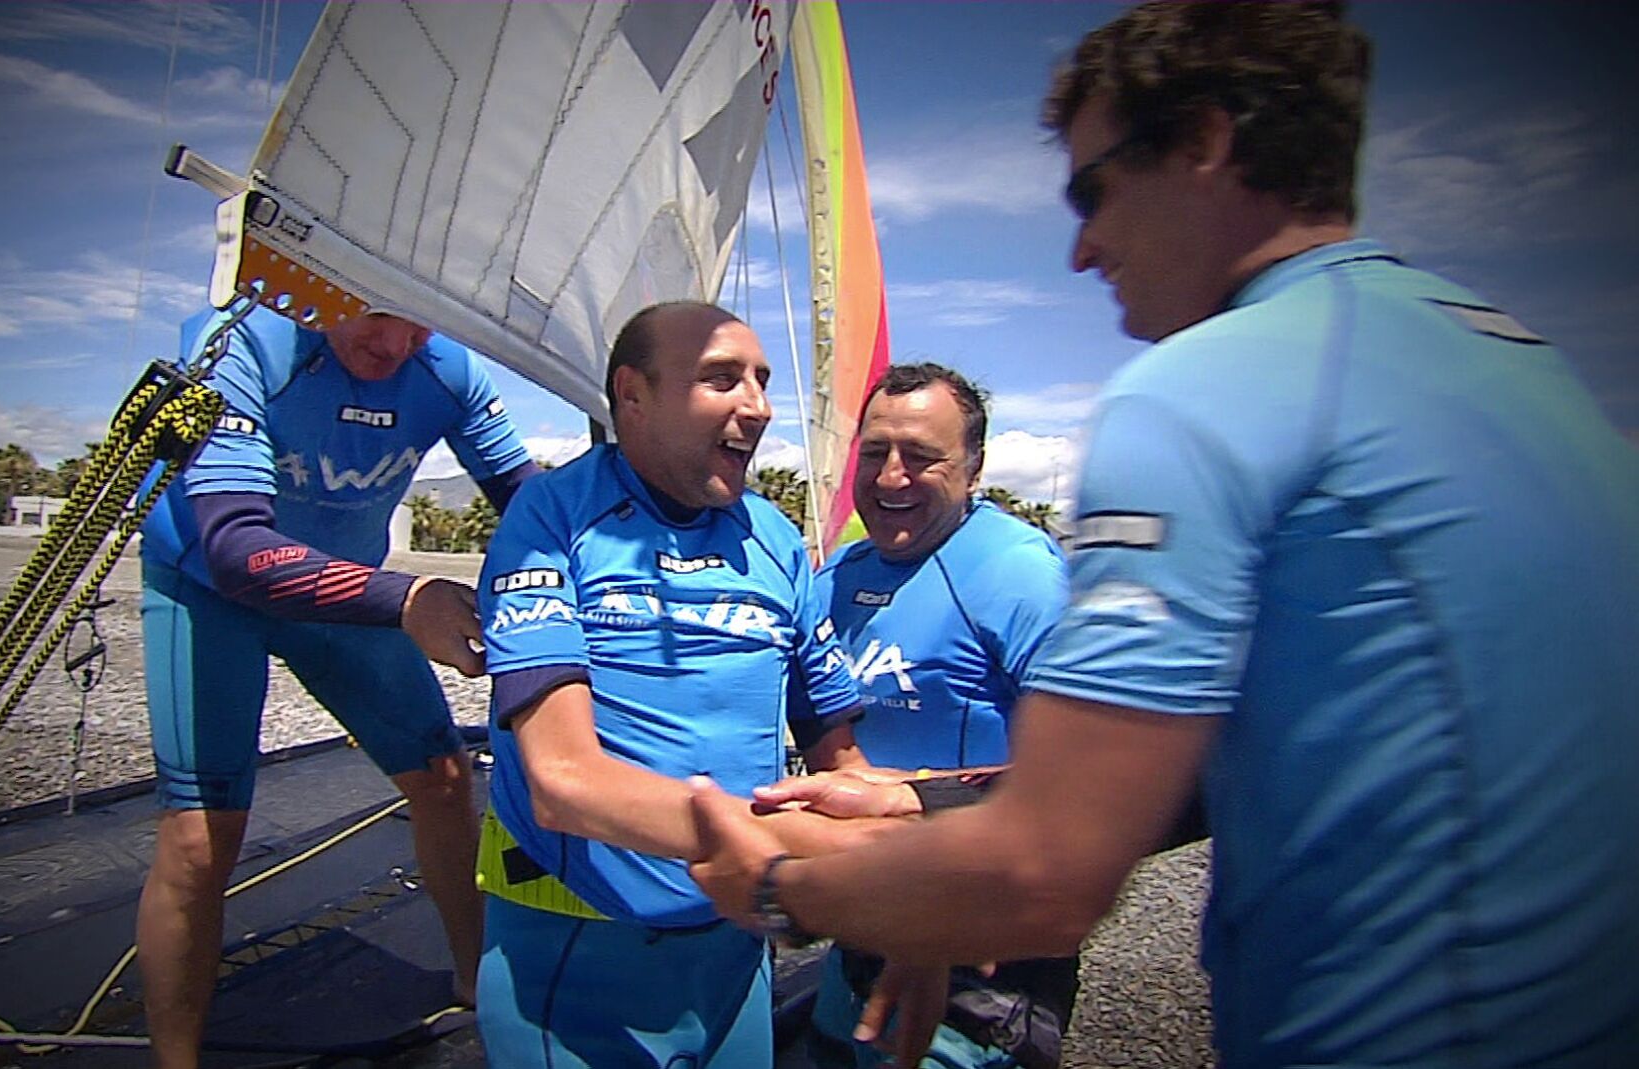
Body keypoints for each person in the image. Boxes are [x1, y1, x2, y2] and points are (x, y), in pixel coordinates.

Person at [688, 4, 1639, 1068]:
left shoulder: (1203, 392)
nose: (1083, 246)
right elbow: (1187, 773)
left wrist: (783, 885)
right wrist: (924, 846)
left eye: (1095, 188)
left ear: (1203, 142)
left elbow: (1048, 871)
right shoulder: (1521, 363)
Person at [473, 300, 879, 1068]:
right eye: (721, 378)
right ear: (632, 393)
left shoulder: (776, 540)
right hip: (575, 959)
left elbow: (841, 760)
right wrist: (778, 848)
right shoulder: (552, 516)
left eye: (761, 380)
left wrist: (906, 909)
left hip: (732, 963)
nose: (757, 405)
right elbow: (561, 779)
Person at [136, 304, 538, 1069]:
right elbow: (231, 546)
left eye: (417, 326)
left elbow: (533, 505)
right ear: (319, 286)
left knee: (446, 778)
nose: (394, 345)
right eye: (373, 318)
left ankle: (472, 983)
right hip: (209, 591)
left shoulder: (446, 368)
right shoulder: (248, 339)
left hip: (341, 594)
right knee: (198, 841)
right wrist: (408, 599)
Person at [796, 363, 1074, 1069]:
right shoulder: (836, 577)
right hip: (863, 920)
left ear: (973, 468)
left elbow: (1088, 770)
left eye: (921, 457)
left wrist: (918, 797)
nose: (891, 478)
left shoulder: (1016, 571)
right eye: (875, 453)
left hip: (981, 948)